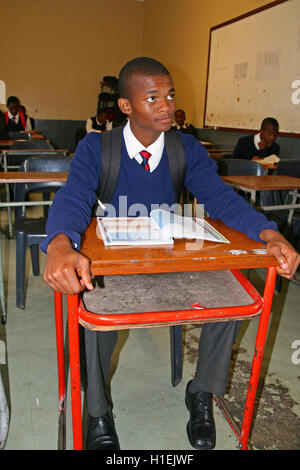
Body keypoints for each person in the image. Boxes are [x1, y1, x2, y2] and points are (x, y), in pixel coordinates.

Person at [41, 57, 299, 451]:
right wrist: (60, 241)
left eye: (170, 95)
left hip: (170, 258)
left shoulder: (186, 148)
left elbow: (218, 198)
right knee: (88, 305)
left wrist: (268, 233)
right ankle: (96, 410)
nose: (166, 105)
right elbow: (74, 196)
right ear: (126, 106)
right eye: (152, 97)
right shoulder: (98, 146)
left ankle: (201, 392)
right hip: (118, 262)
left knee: (232, 294)